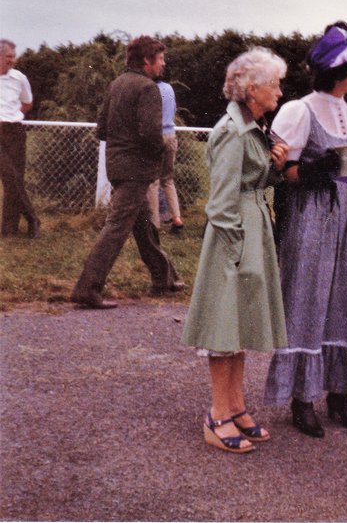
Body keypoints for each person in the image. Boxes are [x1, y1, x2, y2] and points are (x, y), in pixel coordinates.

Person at [263, 22, 347, 436]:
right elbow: (282, 170)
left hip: (346, 209)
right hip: (312, 212)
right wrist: (313, 170)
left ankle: (341, 394)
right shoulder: (299, 109)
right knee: (308, 295)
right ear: (338, 68)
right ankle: (302, 398)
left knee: (345, 293)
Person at [180, 47, 289, 454]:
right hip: (235, 235)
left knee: (239, 324)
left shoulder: (256, 126)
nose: (279, 91)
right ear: (252, 88)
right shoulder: (231, 130)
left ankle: (237, 407)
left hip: (253, 227)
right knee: (225, 327)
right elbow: (221, 203)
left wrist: (275, 166)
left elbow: (254, 183)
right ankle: (217, 414)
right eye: (274, 84)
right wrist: (237, 252)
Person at [71, 36, 184, 310]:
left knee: (143, 226)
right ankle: (87, 289)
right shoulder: (148, 89)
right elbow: (150, 134)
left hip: (118, 166)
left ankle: (164, 278)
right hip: (137, 170)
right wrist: (158, 153)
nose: (163, 64)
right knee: (116, 228)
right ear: (147, 61)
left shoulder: (116, 84)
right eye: (160, 59)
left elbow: (101, 130)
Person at [0, 39, 41, 238]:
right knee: (10, 176)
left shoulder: (19, 78)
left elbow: (27, 103)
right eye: (9, 57)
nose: (12, 61)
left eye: (13, 57)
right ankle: (33, 219)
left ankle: (9, 230)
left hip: (14, 132)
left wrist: (11, 116)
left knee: (14, 180)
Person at [145, 76, 184, 233]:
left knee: (153, 181)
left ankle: (154, 224)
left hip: (157, 136)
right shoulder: (169, 88)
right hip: (171, 135)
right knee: (168, 179)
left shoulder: (149, 89)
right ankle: (176, 218)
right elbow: (173, 109)